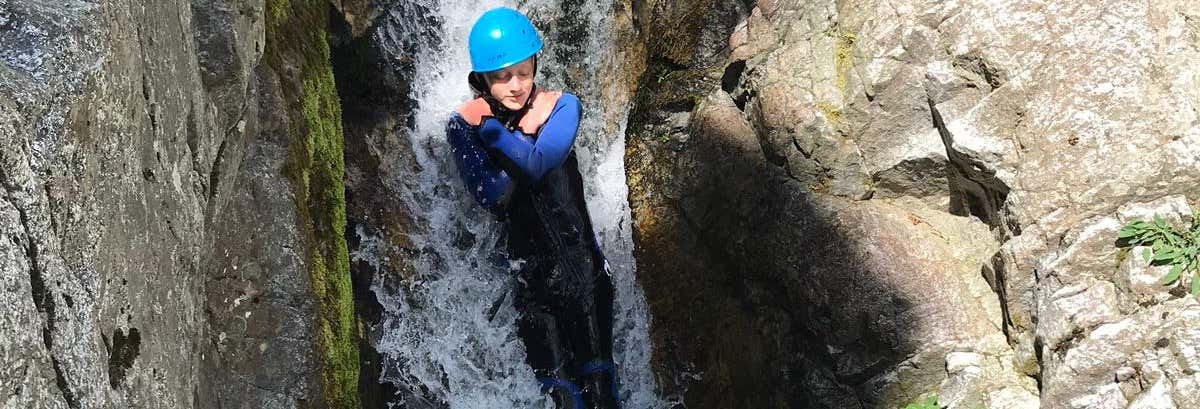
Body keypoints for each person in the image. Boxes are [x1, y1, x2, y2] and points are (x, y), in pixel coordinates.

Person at [444, 7, 620, 409]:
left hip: (583, 279)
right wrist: (508, 133)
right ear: (481, 81)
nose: (516, 85)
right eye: (502, 77)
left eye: (523, 72)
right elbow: (493, 195)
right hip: (530, 287)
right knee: (559, 398)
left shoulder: (562, 106)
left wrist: (496, 132)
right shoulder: (463, 127)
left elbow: (538, 165)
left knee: (599, 393)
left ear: (536, 64)